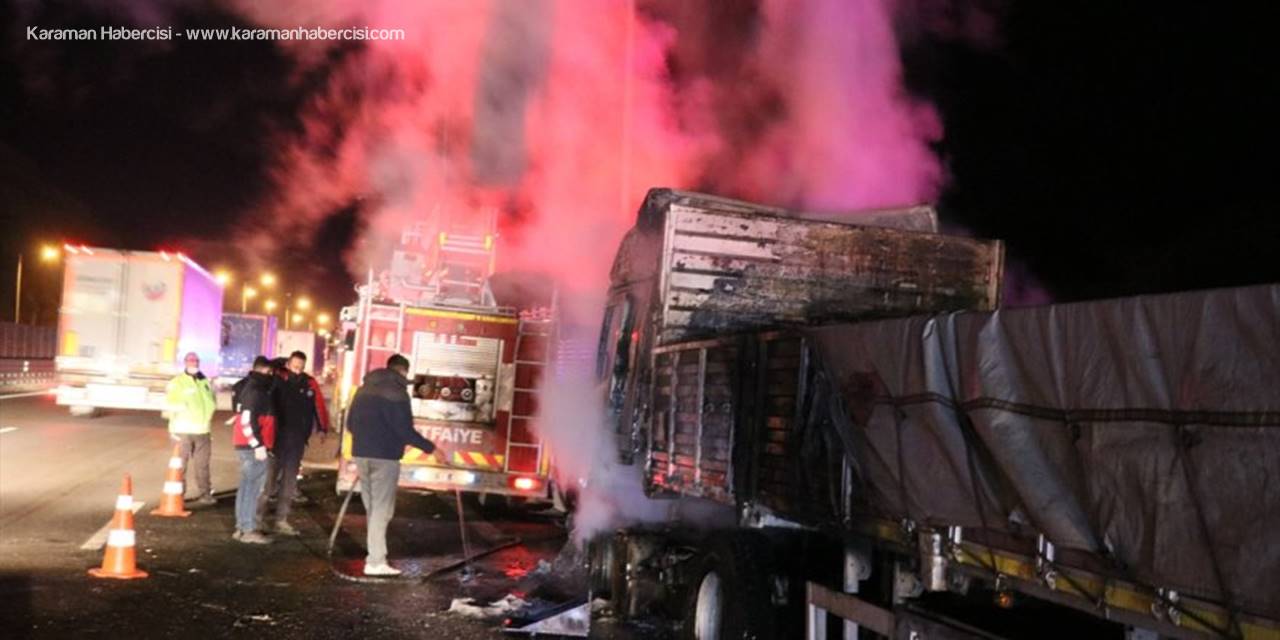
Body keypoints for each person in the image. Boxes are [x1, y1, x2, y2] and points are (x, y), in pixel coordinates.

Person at [347, 353, 436, 576]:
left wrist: (365, 442)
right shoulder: (398, 393)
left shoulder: (363, 389)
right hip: (384, 458)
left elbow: (350, 423)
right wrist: (431, 448)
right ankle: (376, 562)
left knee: (372, 508)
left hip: (361, 455)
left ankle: (375, 555)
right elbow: (404, 430)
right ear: (403, 371)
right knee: (381, 510)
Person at [258, 351, 330, 536]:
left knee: (289, 484)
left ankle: (281, 520)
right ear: (288, 364)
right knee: (268, 482)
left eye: (301, 366)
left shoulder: (309, 383)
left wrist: (323, 428)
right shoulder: (277, 378)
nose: (297, 369)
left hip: (297, 440)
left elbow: (319, 406)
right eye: (295, 365)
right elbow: (262, 396)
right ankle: (256, 519)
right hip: (276, 439)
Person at [231, 356, 276, 544]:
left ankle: (242, 527)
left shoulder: (250, 386)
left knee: (246, 487)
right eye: (270, 373)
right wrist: (257, 445)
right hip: (253, 448)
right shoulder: (256, 391)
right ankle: (248, 529)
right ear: (265, 371)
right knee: (252, 489)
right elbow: (247, 420)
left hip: (247, 445)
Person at [165, 352, 217, 507]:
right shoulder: (177, 382)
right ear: (185, 362)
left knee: (203, 465)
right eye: (190, 360)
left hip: (203, 430)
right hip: (184, 430)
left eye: (196, 360)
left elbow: (211, 401)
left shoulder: (205, 381)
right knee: (181, 465)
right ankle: (178, 496)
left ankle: (205, 494)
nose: (193, 363)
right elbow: (172, 405)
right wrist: (173, 427)